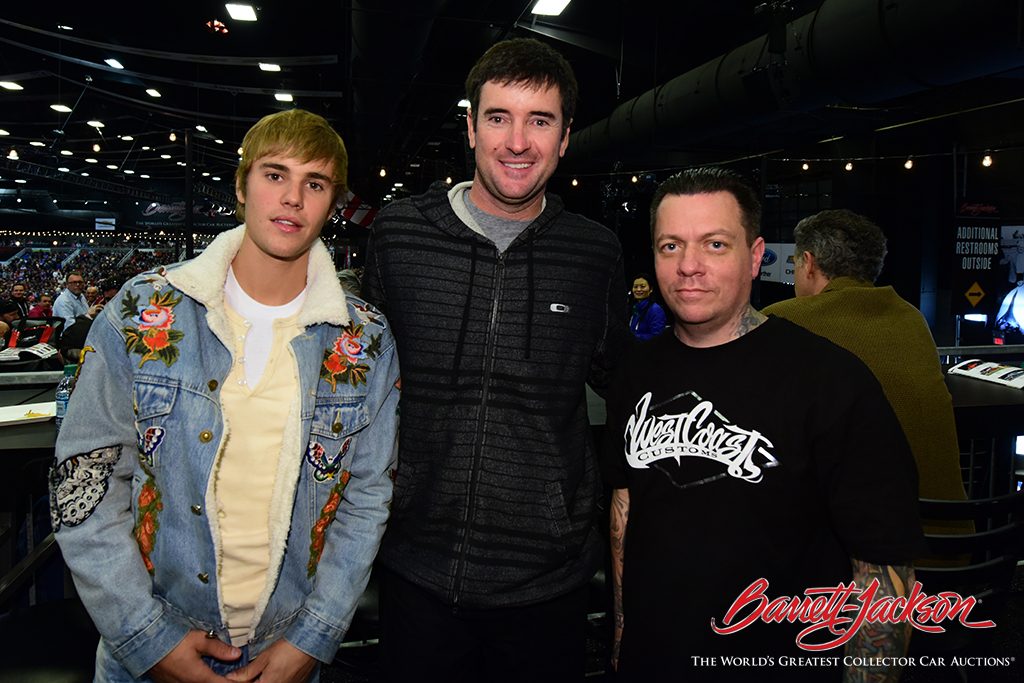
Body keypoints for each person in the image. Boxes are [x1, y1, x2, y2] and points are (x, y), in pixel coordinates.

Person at [51, 109, 400, 683]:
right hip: (150, 642)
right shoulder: (143, 311)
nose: (292, 198)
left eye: (314, 184)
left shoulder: (365, 339)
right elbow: (84, 479)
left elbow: (366, 499)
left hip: (285, 649)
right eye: (274, 175)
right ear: (241, 186)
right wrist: (146, 636)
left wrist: (314, 637)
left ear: (332, 203)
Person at [361, 37, 631, 682]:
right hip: (414, 567)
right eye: (498, 117)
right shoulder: (399, 234)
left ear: (565, 137)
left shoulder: (594, 253)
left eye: (540, 120)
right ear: (471, 128)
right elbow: (360, 382)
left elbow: (627, 385)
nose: (518, 141)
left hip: (548, 579)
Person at [603, 168, 927, 682]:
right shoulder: (635, 371)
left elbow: (884, 570)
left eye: (714, 244)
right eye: (670, 246)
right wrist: (622, 637)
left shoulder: (832, 381)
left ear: (755, 257)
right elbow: (625, 510)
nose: (689, 266)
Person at [762, 209, 970, 527]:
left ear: (810, 262)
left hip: (870, 559)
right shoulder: (911, 317)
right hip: (952, 541)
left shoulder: (783, 319)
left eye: (795, 264)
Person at [628, 273, 666, 339]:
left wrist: (631, 338)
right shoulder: (634, 308)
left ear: (651, 289)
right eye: (635, 287)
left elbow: (656, 337)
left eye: (642, 286)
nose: (638, 290)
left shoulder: (656, 310)